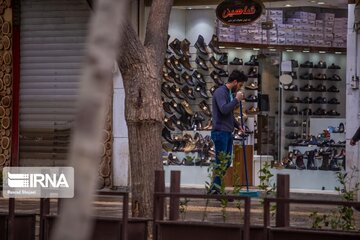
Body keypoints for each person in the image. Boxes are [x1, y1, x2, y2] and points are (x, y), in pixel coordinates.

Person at [210, 70, 248, 193]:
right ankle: (216, 189)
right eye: (240, 85)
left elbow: (229, 115)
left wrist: (238, 126)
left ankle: (215, 188)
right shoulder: (221, 92)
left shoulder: (229, 93)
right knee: (221, 161)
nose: (240, 88)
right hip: (220, 132)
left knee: (225, 162)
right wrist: (236, 100)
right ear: (235, 82)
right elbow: (224, 110)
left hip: (227, 132)